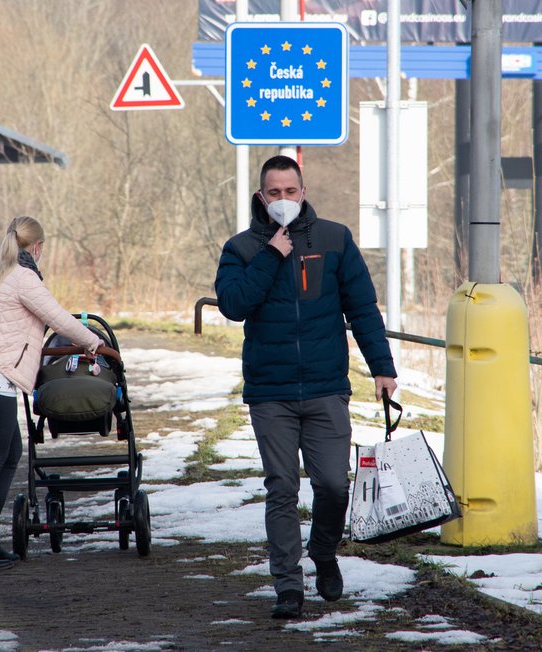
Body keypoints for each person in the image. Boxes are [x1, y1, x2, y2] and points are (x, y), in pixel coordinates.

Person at [214, 156, 398, 618]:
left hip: (325, 387)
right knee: (281, 489)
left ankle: (323, 553)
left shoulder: (335, 239)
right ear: (261, 197)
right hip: (270, 391)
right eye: (273, 193)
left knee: (334, 486)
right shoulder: (240, 248)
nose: (282, 201)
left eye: (289, 192)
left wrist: (382, 368)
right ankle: (288, 588)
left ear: (303, 190)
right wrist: (272, 254)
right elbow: (233, 305)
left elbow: (362, 308)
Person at [0, 215, 102, 572]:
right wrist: (93, 342)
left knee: (8, 454)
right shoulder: (24, 277)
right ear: (36, 247)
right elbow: (60, 319)